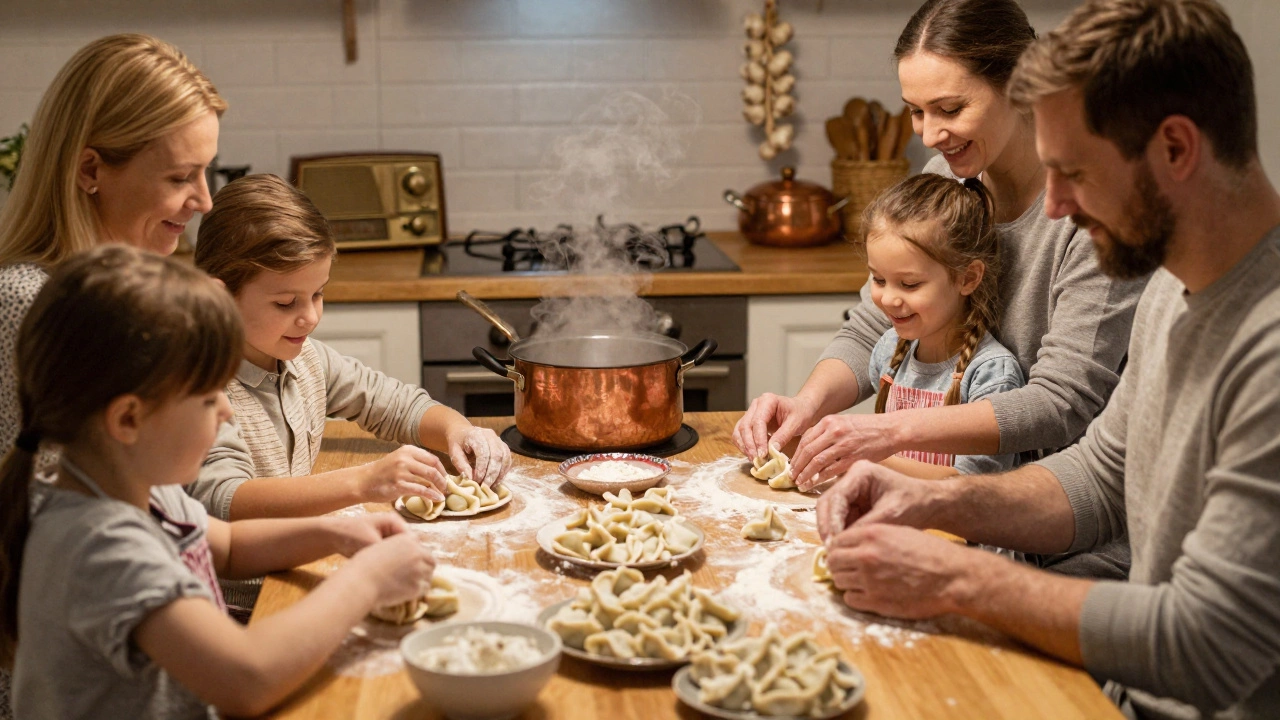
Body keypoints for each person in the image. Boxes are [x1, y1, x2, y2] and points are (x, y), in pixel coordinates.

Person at [816, 1, 1280, 717]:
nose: (1054, 207)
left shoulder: (1268, 345)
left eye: (1075, 172)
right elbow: (1097, 478)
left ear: (1176, 149)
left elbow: (1211, 645)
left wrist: (958, 577)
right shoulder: (1170, 289)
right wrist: (931, 500)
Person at [733, 0, 1146, 502]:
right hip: (946, 503)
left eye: (950, 109)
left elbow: (1062, 404)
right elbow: (871, 329)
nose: (930, 134)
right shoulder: (944, 178)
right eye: (915, 111)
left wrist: (887, 435)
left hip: (1057, 513)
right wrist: (807, 403)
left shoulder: (1095, 213)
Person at [0, 246, 435, 719]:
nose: (226, 410)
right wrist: (367, 580)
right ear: (129, 418)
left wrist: (335, 535)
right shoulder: (99, 545)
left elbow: (225, 545)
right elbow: (246, 678)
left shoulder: (135, 484)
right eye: (208, 399)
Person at [0, 33, 222, 718]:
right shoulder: (26, 302)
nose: (205, 201)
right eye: (182, 176)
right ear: (91, 169)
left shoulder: (134, 292)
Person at [188, 174, 511, 611]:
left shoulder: (307, 361)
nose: (310, 317)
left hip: (296, 574)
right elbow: (227, 502)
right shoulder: (200, 385)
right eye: (286, 303)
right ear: (220, 297)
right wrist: (362, 481)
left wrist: (458, 429)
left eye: (318, 294)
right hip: (237, 608)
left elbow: (394, 404)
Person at [853, 173, 1023, 479]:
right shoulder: (888, 351)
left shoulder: (991, 374)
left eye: (909, 284)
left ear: (967, 278)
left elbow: (973, 487)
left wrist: (861, 458)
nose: (889, 298)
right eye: (878, 280)